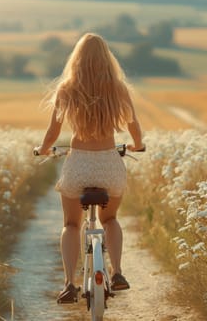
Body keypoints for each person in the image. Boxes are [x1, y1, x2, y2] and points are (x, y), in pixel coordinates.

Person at [35, 32, 145, 304]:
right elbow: (134, 128)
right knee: (110, 220)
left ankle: (69, 284)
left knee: (72, 224)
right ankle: (118, 272)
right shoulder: (118, 89)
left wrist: (44, 149)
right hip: (109, 164)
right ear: (107, 58)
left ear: (77, 59)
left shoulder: (66, 89)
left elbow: (52, 132)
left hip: (79, 165)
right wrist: (138, 145)